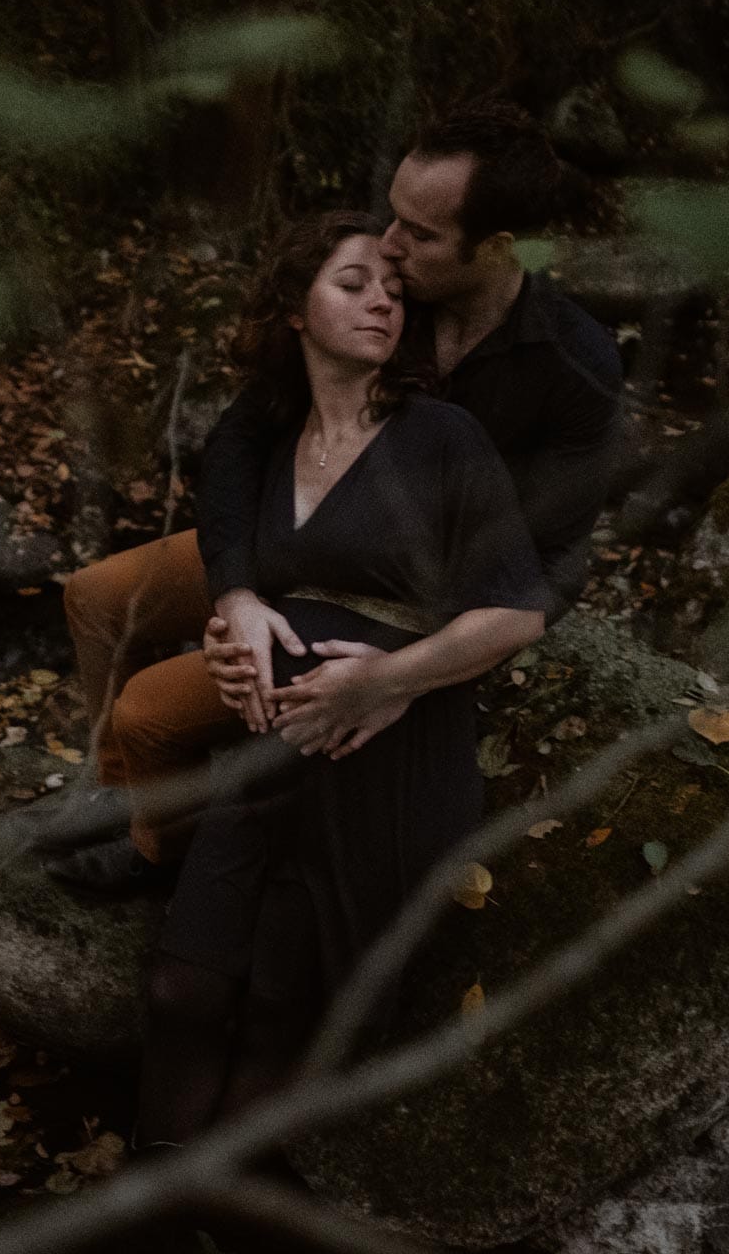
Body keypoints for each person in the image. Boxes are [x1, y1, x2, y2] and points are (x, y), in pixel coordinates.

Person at [48, 99, 624, 894]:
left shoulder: (572, 366)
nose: (389, 247)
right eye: (393, 217)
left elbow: (550, 565)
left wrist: (403, 673)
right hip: (297, 534)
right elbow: (244, 437)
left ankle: (160, 854)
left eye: (419, 234)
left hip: (394, 600)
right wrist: (239, 592)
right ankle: (126, 802)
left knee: (150, 709)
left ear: (497, 247)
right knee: (96, 598)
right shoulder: (385, 297)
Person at [128, 211, 547, 1152]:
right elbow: (245, 559)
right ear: (294, 310)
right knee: (181, 986)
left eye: (394, 292)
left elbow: (518, 611)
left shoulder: (442, 438)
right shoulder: (271, 437)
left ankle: (240, 1208)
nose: (380, 304)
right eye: (353, 283)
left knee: (286, 1012)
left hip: (387, 767)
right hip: (268, 753)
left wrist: (389, 678)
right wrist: (232, 620)